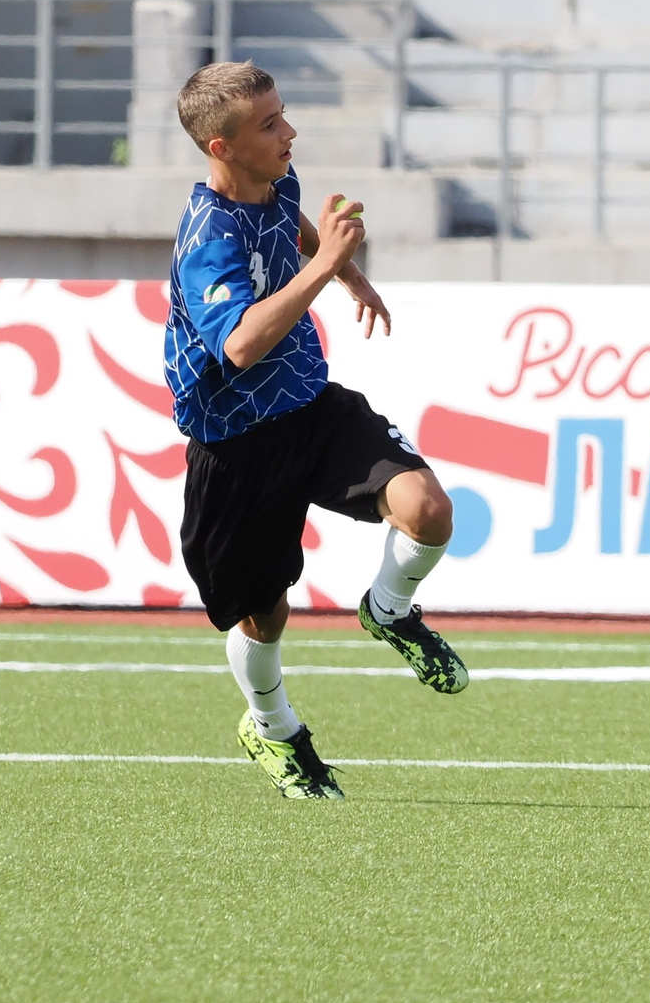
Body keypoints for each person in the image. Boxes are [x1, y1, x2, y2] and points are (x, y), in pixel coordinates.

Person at [163, 60, 466, 802]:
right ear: (222, 148)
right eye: (269, 124)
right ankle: (272, 728)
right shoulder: (206, 237)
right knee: (263, 615)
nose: (288, 131)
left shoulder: (274, 177)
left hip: (309, 404)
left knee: (427, 510)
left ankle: (389, 610)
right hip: (237, 447)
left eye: (283, 113)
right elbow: (237, 343)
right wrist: (327, 265)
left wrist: (345, 272)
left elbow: (287, 217)